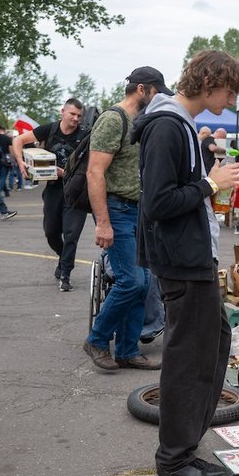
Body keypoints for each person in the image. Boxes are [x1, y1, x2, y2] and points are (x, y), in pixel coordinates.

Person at [134, 49, 239, 476]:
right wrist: (208, 184)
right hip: (181, 258)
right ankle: (175, 459)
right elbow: (159, 203)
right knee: (188, 356)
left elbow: (177, 194)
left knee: (213, 342)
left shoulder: (180, 125)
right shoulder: (168, 126)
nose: (232, 99)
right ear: (209, 82)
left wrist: (208, 182)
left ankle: (184, 446)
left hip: (189, 253)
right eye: (230, 90)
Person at [82, 67, 170, 372]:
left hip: (138, 211)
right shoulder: (113, 119)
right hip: (117, 211)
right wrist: (102, 222)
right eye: (157, 92)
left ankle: (128, 350)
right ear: (142, 89)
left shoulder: (139, 121)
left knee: (144, 283)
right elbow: (94, 173)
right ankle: (96, 339)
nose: (160, 99)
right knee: (130, 281)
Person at [12, 98, 87, 291]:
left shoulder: (86, 135)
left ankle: (66, 274)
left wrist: (67, 173)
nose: (76, 118)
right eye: (72, 114)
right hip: (53, 189)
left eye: (79, 115)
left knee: (71, 234)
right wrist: (21, 163)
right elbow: (18, 140)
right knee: (51, 233)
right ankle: (63, 259)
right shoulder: (50, 130)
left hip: (75, 191)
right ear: (63, 112)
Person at [0, 125, 13, 195]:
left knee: (0, 176)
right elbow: (10, 150)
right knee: (3, 177)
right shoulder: (8, 138)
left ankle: (6, 192)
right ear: (4, 130)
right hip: (5, 160)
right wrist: (12, 160)